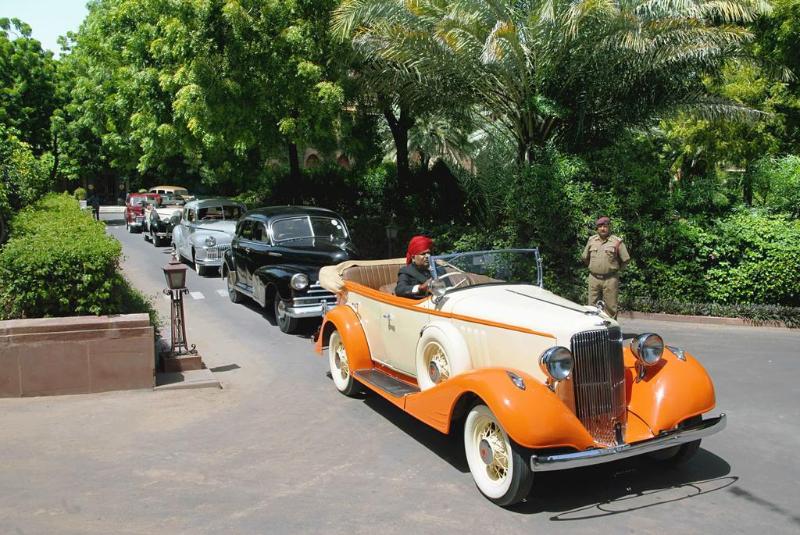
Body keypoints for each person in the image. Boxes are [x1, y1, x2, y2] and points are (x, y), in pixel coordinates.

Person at [581, 216, 630, 319]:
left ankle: (610, 332)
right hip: (593, 278)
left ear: (609, 227)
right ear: (597, 228)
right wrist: (594, 268)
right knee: (591, 307)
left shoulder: (617, 242)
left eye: (605, 226)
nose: (602, 229)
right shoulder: (591, 240)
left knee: (610, 308)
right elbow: (585, 257)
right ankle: (592, 330)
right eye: (600, 226)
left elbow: (625, 260)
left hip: (610, 279)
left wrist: (614, 270)